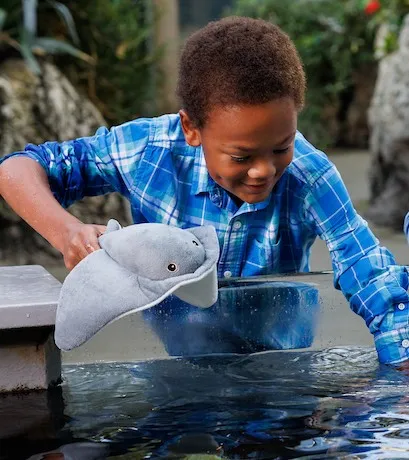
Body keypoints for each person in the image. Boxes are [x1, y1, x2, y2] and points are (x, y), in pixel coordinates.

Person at [0, 16, 408, 366]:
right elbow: (16, 170)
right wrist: (66, 232)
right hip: (173, 365)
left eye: (282, 146)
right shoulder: (148, 151)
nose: (264, 170)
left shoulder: (310, 174)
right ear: (191, 129)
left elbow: (367, 268)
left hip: (279, 366)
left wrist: (401, 359)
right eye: (241, 156)